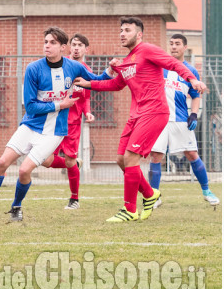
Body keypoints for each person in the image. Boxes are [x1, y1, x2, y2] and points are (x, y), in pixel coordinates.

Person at [0, 27, 107, 224]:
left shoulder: (74, 67)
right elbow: (31, 107)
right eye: (46, 42)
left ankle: (16, 206)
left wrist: (111, 70)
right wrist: (60, 104)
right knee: (2, 163)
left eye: (52, 43)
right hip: (30, 125)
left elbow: (99, 81)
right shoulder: (33, 68)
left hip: (54, 132)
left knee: (24, 170)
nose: (47, 46)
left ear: (62, 47)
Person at [75, 17, 207, 222]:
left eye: (127, 30)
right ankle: (150, 194)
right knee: (121, 160)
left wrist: (191, 78)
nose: (122, 33)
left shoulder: (147, 50)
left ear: (139, 34)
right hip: (136, 115)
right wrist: (87, 84)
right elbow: (116, 85)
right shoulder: (127, 60)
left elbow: (172, 63)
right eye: (121, 30)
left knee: (131, 158)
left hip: (154, 112)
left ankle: (129, 210)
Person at [148, 34, 219, 206]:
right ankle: (154, 197)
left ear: (184, 47)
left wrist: (193, 114)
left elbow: (196, 95)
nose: (173, 47)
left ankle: (207, 191)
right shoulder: (160, 68)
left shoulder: (190, 71)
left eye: (177, 44)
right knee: (156, 156)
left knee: (192, 154)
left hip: (180, 120)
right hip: (159, 119)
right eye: (171, 43)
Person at [42, 33, 95, 209]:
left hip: (72, 124)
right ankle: (74, 164)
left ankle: (74, 199)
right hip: (54, 120)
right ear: (69, 47)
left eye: (80, 45)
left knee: (70, 160)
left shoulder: (86, 72)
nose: (76, 48)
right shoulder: (60, 64)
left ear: (86, 49)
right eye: (74, 44)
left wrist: (87, 113)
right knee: (46, 160)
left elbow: (85, 98)